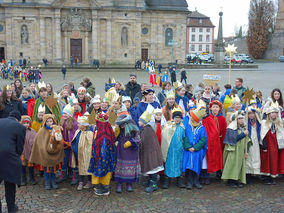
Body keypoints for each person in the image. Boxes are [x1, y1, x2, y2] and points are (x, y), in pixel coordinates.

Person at [29, 114, 65, 190]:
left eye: (51, 121)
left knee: (53, 169)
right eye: (47, 121)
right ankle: (47, 182)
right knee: (47, 169)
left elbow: (59, 141)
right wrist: (43, 150)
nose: (49, 123)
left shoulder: (55, 129)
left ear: (53, 121)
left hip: (54, 153)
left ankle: (53, 181)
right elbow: (39, 142)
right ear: (44, 122)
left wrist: (58, 148)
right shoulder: (42, 130)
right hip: (45, 153)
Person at [0, 111, 25, 213]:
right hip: (9, 158)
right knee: (10, 186)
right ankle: (11, 209)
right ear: (18, 119)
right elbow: (19, 148)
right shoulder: (20, 127)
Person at [88, 113, 117, 196]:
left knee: (103, 171)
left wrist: (100, 159)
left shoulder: (103, 135)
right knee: (104, 171)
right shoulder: (105, 130)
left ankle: (104, 188)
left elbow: (104, 149)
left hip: (101, 158)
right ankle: (101, 186)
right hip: (101, 157)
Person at [222, 111, 251, 188]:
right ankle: (231, 180)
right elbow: (233, 139)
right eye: (239, 118)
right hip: (233, 150)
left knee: (239, 165)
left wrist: (246, 151)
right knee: (232, 165)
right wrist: (243, 134)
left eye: (242, 118)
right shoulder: (231, 128)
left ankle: (237, 179)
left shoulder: (244, 128)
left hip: (241, 150)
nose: (241, 120)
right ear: (236, 119)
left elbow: (247, 141)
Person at [161, 108, 187, 189]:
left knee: (179, 164)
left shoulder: (182, 127)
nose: (177, 119)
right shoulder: (168, 127)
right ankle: (166, 181)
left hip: (179, 150)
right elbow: (164, 138)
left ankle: (179, 180)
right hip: (170, 149)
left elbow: (184, 138)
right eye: (176, 117)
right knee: (169, 164)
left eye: (179, 118)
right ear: (173, 118)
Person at [114, 114, 140, 193]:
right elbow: (115, 137)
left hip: (131, 150)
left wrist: (131, 142)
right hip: (121, 150)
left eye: (123, 125)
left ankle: (129, 183)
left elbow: (138, 137)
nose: (121, 126)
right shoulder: (120, 128)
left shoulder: (132, 126)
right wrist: (116, 139)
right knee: (120, 166)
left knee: (130, 167)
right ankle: (119, 183)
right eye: (120, 125)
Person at [139, 111, 164, 193]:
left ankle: (154, 185)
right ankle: (150, 181)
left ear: (144, 122)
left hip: (151, 153)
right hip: (148, 152)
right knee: (150, 168)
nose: (138, 122)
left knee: (153, 168)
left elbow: (143, 141)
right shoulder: (146, 128)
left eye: (140, 121)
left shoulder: (147, 130)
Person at [183, 106, 207, 189]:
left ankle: (196, 181)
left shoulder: (202, 128)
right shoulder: (188, 127)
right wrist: (188, 147)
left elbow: (203, 140)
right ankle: (189, 182)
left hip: (197, 151)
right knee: (189, 166)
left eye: (192, 118)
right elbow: (185, 137)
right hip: (188, 151)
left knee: (197, 165)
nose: (191, 119)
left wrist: (195, 148)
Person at [260, 106, 284, 184]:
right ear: (268, 114)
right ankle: (266, 177)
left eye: (275, 113)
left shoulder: (278, 123)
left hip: (275, 145)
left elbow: (281, 134)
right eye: (272, 113)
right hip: (267, 145)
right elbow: (262, 134)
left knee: (273, 161)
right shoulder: (264, 123)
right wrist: (264, 144)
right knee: (266, 161)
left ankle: (271, 176)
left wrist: (280, 145)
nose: (273, 114)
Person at [70, 115, 94, 190]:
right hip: (78, 153)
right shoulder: (78, 131)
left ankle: (89, 181)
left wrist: (86, 152)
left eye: (79, 124)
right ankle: (81, 181)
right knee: (79, 167)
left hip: (86, 154)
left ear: (84, 125)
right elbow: (74, 141)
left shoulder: (89, 133)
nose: (77, 125)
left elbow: (90, 144)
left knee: (87, 167)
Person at [57, 104, 78, 184]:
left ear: (70, 115)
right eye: (64, 113)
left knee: (73, 160)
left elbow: (75, 134)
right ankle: (63, 175)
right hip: (64, 145)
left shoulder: (74, 123)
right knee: (64, 160)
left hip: (72, 145)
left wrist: (72, 143)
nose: (64, 115)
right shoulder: (62, 121)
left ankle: (75, 176)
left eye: (66, 114)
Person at [245, 107, 261, 182]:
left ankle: (255, 172)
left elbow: (261, 125)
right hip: (248, 142)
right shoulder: (246, 123)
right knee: (249, 157)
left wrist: (257, 115)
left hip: (256, 142)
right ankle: (247, 174)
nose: (251, 115)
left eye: (252, 113)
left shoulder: (257, 122)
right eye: (249, 114)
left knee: (256, 156)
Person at [20, 116, 37, 186]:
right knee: (22, 166)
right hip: (22, 152)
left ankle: (32, 178)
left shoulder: (32, 131)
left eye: (27, 123)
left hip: (30, 151)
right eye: (24, 123)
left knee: (31, 166)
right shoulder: (19, 131)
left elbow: (35, 141)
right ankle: (23, 179)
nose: (26, 124)